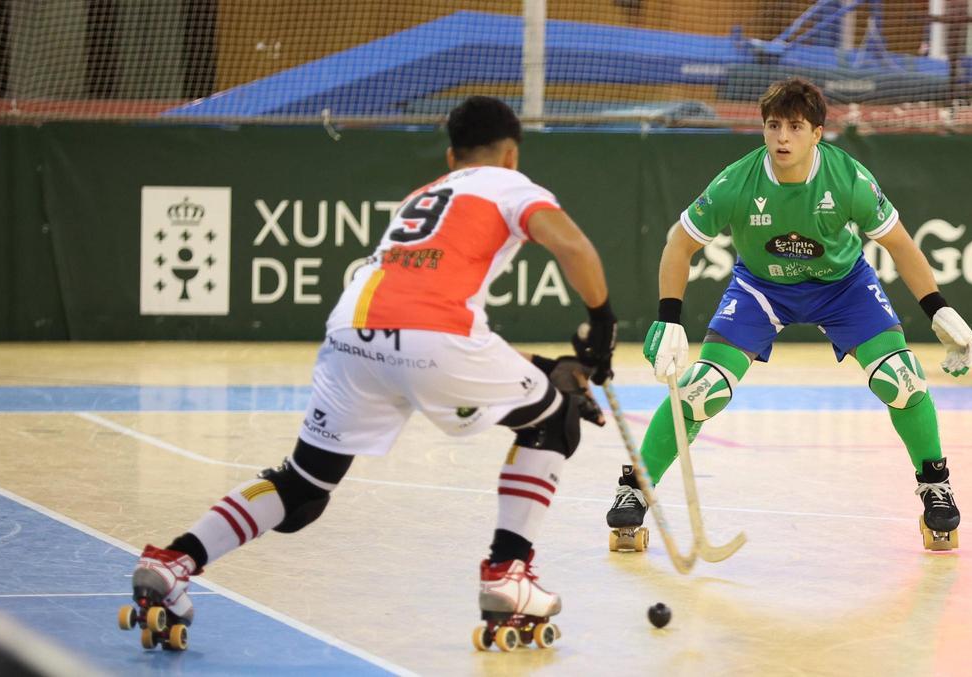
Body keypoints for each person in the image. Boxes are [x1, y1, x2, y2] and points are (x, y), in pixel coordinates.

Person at [122, 96, 617, 651]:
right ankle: (508, 573)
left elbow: (441, 326)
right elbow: (571, 244)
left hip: (351, 335)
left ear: (452, 155)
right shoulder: (510, 184)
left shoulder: (422, 197)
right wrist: (601, 325)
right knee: (555, 422)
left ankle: (173, 562)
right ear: (511, 154)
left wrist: (551, 368)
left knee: (303, 485)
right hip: (435, 340)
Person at [605, 78, 972, 552]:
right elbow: (679, 244)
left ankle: (934, 485)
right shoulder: (736, 182)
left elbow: (900, 245)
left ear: (817, 134)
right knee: (701, 391)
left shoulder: (848, 179)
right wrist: (670, 318)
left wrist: (939, 309)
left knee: (903, 379)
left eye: (796, 127)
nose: (783, 137)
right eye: (774, 126)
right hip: (762, 288)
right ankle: (634, 488)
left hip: (843, 286)